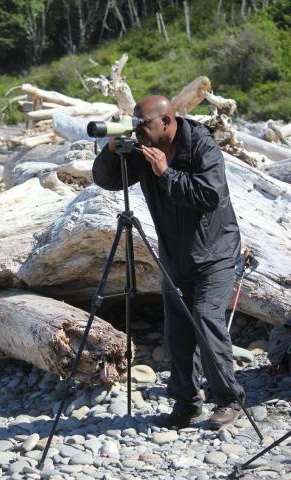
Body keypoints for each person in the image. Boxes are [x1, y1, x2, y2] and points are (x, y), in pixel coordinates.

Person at [92, 95, 245, 429]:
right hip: (174, 255)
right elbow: (106, 180)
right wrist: (111, 150)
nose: (139, 130)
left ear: (167, 121)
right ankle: (186, 403)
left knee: (205, 320)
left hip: (214, 252)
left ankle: (228, 398)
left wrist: (167, 173)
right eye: (135, 123)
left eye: (144, 123)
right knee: (177, 331)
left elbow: (210, 195)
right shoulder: (144, 146)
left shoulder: (201, 145)